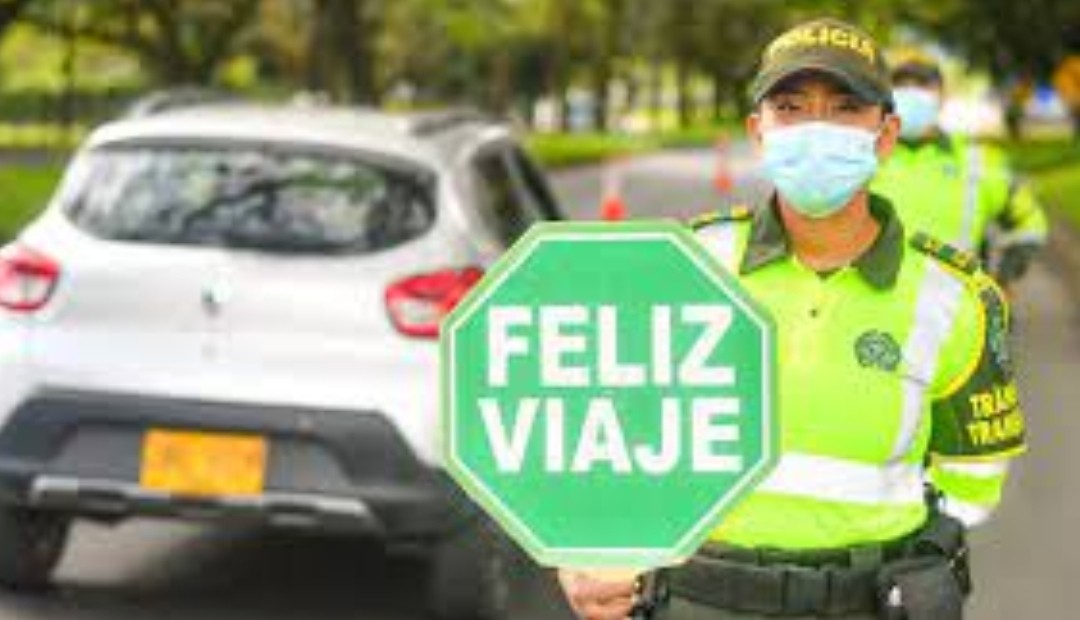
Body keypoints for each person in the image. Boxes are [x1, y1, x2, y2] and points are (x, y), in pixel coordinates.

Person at [559, 18, 1025, 620]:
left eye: (844, 108)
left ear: (885, 135)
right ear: (759, 130)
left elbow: (973, 481)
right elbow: (595, 425)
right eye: (791, 107)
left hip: (870, 602)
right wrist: (588, 550)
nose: (816, 129)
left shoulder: (957, 297)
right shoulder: (686, 265)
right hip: (699, 600)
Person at [872, 51, 1048, 291]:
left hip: (956, 316)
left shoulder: (980, 160)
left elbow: (1030, 223)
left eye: (923, 85)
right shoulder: (860, 156)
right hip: (869, 311)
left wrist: (1003, 280)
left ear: (942, 96)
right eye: (901, 85)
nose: (912, 92)